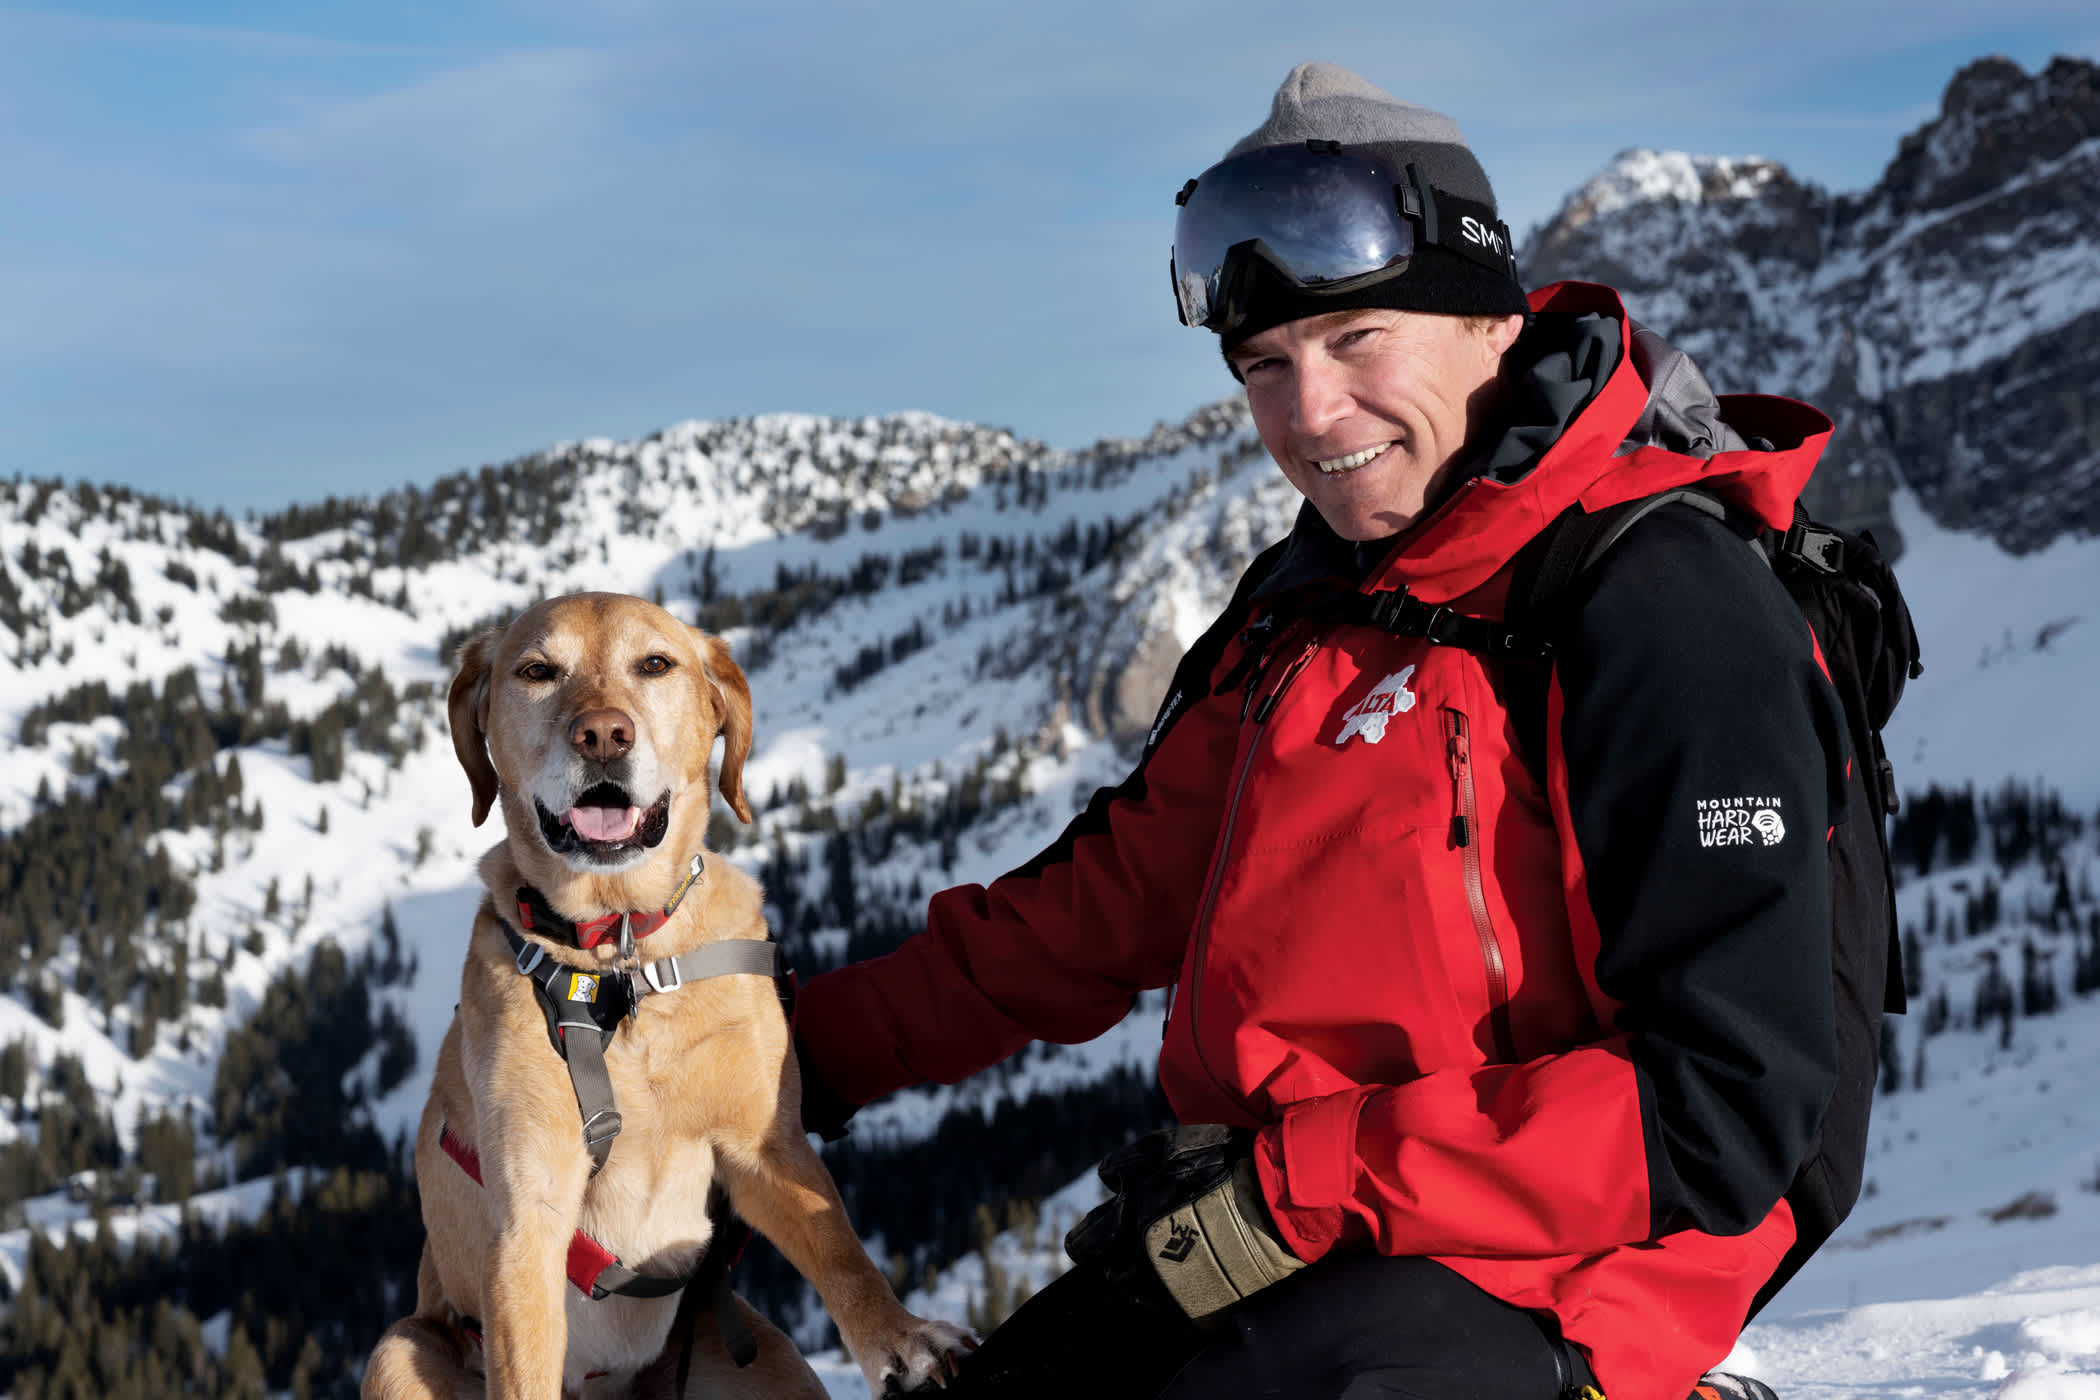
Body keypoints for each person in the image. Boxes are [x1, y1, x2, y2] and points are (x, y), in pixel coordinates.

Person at [794, 61, 1845, 1400]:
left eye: (1358, 343)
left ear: (1490, 322)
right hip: (1279, 1240)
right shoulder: (1317, 606)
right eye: (1265, 368)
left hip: (1556, 1272)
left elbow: (1723, 1106)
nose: (1308, 417)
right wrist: (781, 1051)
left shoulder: (1657, 601)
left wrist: (1297, 1187)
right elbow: (1100, 909)